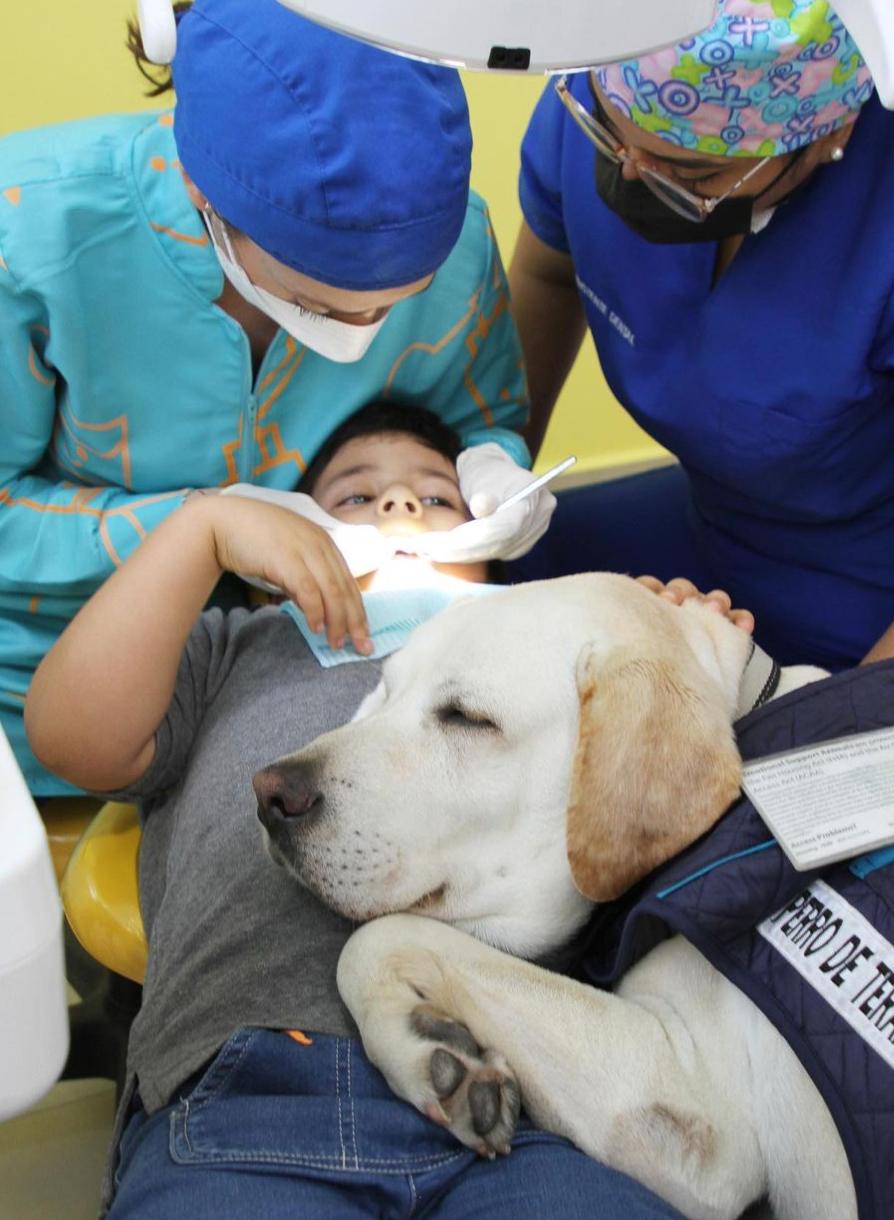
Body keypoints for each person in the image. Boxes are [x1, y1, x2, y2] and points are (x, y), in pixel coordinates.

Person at [23, 402, 738, 1220]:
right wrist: (201, 533)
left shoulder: (551, 662)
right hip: (250, 1087)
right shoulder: (246, 644)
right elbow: (69, 737)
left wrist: (666, 642)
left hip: (535, 1107)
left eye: (438, 498)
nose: (398, 507)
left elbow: (666, 782)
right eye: (354, 500)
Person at [0, 0, 543, 795]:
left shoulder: (455, 243)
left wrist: (496, 466)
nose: (368, 327)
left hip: (321, 694)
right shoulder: (29, 235)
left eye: (401, 299)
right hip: (43, 690)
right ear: (203, 190)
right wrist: (199, 527)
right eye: (320, 302)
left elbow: (462, 428)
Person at [506, 0, 894, 729]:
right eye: (606, 134)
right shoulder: (622, 68)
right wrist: (485, 488)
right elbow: (547, 272)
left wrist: (857, 727)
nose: (629, 175)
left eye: (688, 171)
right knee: (489, 614)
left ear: (832, 132)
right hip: (713, 537)